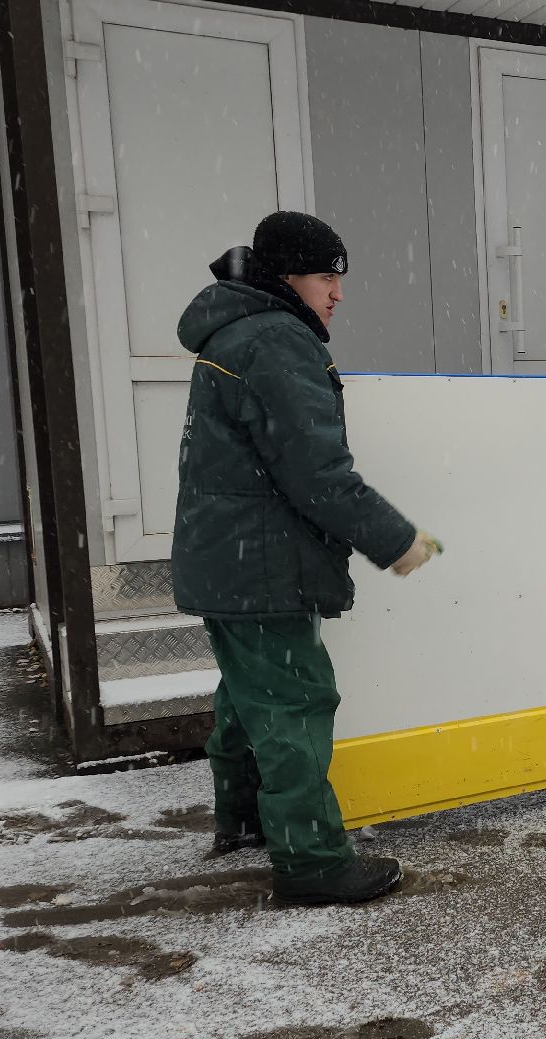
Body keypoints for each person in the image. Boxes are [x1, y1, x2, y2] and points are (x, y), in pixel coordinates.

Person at [172, 210, 442, 905]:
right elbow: (317, 472)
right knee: (294, 704)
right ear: (288, 276)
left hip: (228, 556)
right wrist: (397, 541)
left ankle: (241, 819)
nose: (338, 293)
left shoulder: (237, 333)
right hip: (262, 562)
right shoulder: (276, 341)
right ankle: (313, 863)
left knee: (245, 696)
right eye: (328, 276)